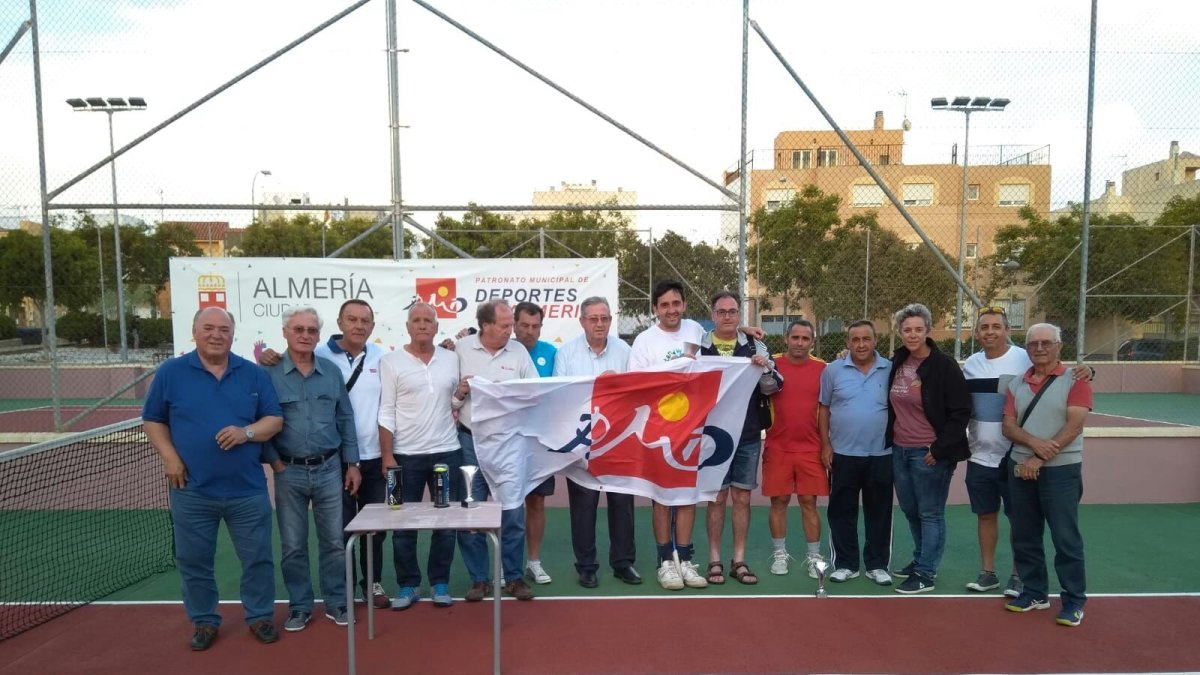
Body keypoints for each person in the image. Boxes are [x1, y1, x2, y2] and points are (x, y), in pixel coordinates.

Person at [143, 307, 284, 651]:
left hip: (247, 490)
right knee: (194, 561)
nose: (216, 334)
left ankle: (260, 616)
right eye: (208, 328)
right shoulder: (171, 373)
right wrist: (170, 458)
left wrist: (246, 432)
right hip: (191, 490)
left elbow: (274, 420)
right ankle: (204, 621)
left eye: (223, 329)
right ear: (195, 332)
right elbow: (153, 419)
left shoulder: (252, 374)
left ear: (233, 335)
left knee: (258, 559)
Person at [963, 306, 1093, 598]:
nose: (990, 331)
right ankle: (987, 573)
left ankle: (1018, 577)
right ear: (977, 333)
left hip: (1015, 458)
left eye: (997, 326)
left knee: (1020, 522)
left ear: (1008, 331)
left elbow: (1060, 372)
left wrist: (1088, 369)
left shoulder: (1025, 357)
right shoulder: (970, 364)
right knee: (985, 514)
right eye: (984, 327)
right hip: (979, 456)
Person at [262, 306, 361, 630]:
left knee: (333, 541)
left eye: (311, 330)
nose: (305, 335)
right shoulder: (268, 373)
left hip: (329, 468)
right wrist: (274, 460)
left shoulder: (331, 373)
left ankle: (336, 602)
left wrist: (352, 463)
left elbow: (345, 418)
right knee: (292, 545)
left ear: (319, 335)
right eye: (298, 329)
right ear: (286, 333)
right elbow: (257, 418)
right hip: (287, 470)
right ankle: (300, 606)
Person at [1002, 322, 1092, 627]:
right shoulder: (1017, 383)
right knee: (1024, 535)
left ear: (1059, 346)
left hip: (1060, 471)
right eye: (1033, 344)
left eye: (1046, 343)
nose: (1039, 348)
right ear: (1027, 349)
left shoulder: (1076, 379)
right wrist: (1032, 444)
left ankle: (1074, 600)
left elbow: (1074, 425)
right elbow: (1009, 426)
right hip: (1019, 468)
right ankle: (1035, 592)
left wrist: (1039, 458)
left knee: (1065, 537)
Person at [553, 296, 642, 588]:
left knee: (622, 504)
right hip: (581, 441)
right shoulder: (566, 354)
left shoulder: (625, 351)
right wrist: (598, 387)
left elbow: (638, 391)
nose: (600, 324)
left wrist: (619, 385)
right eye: (593, 318)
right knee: (583, 506)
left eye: (604, 318)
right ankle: (587, 566)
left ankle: (623, 563)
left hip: (618, 439)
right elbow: (560, 395)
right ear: (582, 322)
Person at [454, 300, 539, 602]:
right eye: (504, 325)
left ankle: (513, 577)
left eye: (510, 325)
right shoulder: (461, 349)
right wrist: (461, 392)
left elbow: (535, 393)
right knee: (470, 511)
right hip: (469, 443)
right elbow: (449, 398)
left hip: (509, 445)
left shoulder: (518, 352)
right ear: (486, 325)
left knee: (512, 512)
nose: (510, 330)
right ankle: (479, 579)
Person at [379, 303, 462, 610]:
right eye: (417, 320)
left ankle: (440, 582)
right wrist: (387, 455)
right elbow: (386, 409)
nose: (423, 325)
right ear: (408, 326)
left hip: (446, 452)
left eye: (429, 320)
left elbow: (453, 399)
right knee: (401, 524)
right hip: (403, 456)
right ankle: (408, 585)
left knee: (445, 522)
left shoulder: (452, 358)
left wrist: (461, 394)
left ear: (437, 327)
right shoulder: (390, 362)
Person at [628, 280, 709, 590]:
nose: (671, 310)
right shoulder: (644, 341)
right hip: (658, 428)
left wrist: (745, 331)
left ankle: (685, 559)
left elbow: (714, 356)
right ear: (655, 309)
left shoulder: (695, 332)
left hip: (692, 426)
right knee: (662, 495)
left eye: (676, 303)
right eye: (665, 305)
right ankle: (665, 561)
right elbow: (636, 384)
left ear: (684, 305)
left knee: (687, 494)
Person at [886, 303, 971, 594]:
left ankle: (926, 573)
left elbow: (961, 411)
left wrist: (939, 449)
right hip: (900, 450)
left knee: (930, 513)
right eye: (907, 329)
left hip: (929, 453)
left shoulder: (943, 365)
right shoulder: (898, 361)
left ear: (928, 330)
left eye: (918, 329)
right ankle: (921, 558)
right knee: (911, 510)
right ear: (900, 332)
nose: (912, 334)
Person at [700, 291, 781, 586]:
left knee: (742, 497)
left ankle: (739, 559)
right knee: (717, 498)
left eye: (732, 311)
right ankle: (714, 560)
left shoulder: (755, 345)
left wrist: (765, 370)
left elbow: (775, 386)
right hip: (713, 436)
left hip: (747, 434)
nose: (727, 316)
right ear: (712, 315)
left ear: (739, 316)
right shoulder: (700, 346)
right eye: (721, 312)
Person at [315, 299, 390, 610]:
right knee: (340, 527)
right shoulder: (317, 355)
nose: (359, 325)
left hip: (375, 457)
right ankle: (342, 588)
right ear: (340, 322)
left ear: (372, 326)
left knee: (375, 527)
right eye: (352, 319)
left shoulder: (382, 357)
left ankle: (371, 583)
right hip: (336, 458)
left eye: (365, 321)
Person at [818, 319, 895, 586]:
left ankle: (877, 564)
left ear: (875, 341)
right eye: (855, 340)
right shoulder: (833, 371)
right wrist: (826, 445)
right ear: (847, 343)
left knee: (880, 512)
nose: (860, 344)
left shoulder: (891, 370)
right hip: (843, 454)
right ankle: (845, 564)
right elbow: (824, 408)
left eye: (866, 339)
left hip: (882, 454)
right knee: (841, 511)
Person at [762, 319, 827, 579]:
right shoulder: (770, 364)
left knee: (809, 501)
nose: (799, 343)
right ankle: (780, 554)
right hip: (777, 446)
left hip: (811, 448)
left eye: (805, 339)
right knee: (778, 501)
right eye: (795, 337)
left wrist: (826, 445)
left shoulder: (824, 369)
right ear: (786, 338)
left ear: (812, 342)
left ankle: (814, 556)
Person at [512, 301, 557, 585]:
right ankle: (509, 564)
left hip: (541, 440)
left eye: (535, 326)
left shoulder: (552, 353)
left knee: (536, 501)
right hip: (509, 440)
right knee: (509, 503)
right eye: (524, 326)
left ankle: (533, 561)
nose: (530, 332)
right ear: (514, 324)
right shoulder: (505, 351)